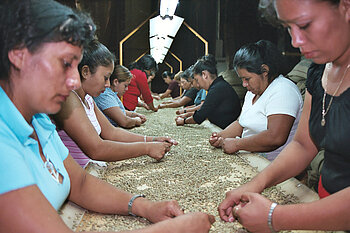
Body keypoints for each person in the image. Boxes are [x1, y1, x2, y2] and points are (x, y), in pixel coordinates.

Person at [0, 1, 215, 232]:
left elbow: (80, 184)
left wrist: (143, 206)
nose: (74, 81)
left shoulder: (39, 120)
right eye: (64, 63)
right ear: (19, 55)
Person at [218, 0, 350, 232]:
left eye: (305, 25)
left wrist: (274, 217)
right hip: (325, 206)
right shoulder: (318, 71)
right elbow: (302, 144)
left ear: (345, 7)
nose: (295, 41)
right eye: (289, 28)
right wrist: (253, 185)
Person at [53, 40, 177, 168]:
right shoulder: (68, 98)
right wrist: (147, 148)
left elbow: (111, 132)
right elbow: (97, 149)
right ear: (85, 72)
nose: (107, 84)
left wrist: (152, 140)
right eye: (105, 77)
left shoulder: (88, 98)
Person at [209, 40, 303, 161]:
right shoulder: (252, 92)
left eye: (247, 79)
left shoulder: (283, 90)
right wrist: (220, 137)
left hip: (274, 164)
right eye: (242, 79)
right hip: (251, 158)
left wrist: (237, 144)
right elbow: (241, 123)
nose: (244, 84)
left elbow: (275, 137)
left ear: (264, 71)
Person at [175, 55, 242, 129]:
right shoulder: (218, 85)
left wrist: (183, 121)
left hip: (224, 129)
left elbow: (199, 117)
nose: (198, 84)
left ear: (204, 75)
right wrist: (187, 114)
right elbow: (206, 111)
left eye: (197, 80)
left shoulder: (217, 88)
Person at [94, 64, 147, 129]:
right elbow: (124, 122)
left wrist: (134, 114)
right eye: (125, 85)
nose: (127, 89)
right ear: (115, 82)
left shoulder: (112, 93)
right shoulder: (105, 95)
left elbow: (118, 111)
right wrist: (137, 120)